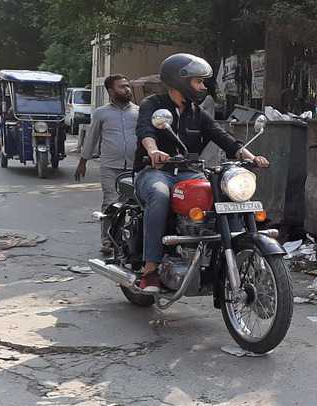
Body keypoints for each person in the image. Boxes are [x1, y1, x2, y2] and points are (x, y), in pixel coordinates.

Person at [134, 53, 269, 293]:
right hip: (155, 172)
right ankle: (150, 269)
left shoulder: (197, 112)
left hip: (188, 173)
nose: (203, 87)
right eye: (198, 82)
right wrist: (154, 151)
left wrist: (251, 157)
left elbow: (222, 137)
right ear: (180, 81)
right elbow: (146, 131)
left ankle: (233, 256)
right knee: (160, 195)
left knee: (226, 195)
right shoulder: (152, 105)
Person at [78, 75, 139, 254]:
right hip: (110, 167)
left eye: (128, 86)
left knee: (133, 206)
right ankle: (107, 240)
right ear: (111, 91)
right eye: (122, 87)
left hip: (134, 168)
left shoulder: (139, 111)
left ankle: (129, 239)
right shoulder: (101, 113)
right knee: (111, 203)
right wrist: (83, 161)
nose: (127, 90)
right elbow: (92, 138)